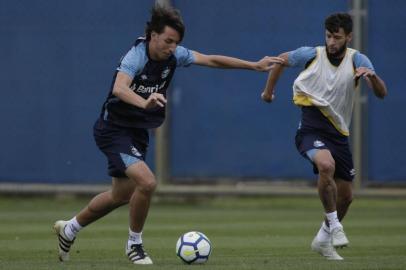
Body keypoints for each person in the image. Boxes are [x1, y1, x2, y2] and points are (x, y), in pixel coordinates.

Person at [54, 4, 284, 265]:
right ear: (153, 35)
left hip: (136, 132)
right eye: (168, 41)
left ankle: (70, 228)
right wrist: (143, 103)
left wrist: (253, 65)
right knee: (148, 182)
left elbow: (210, 59)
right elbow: (119, 88)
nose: (172, 47)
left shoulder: (175, 55)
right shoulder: (136, 56)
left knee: (120, 195)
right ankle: (134, 245)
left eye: (176, 43)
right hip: (113, 130)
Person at [261, 13, 387, 260]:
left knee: (347, 196)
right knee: (325, 164)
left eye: (337, 37)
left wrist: (372, 77)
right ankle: (335, 226)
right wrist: (268, 92)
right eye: (328, 36)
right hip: (311, 126)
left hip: (339, 133)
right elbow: (281, 60)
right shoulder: (311, 54)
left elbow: (381, 93)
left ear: (349, 37)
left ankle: (322, 238)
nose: (331, 41)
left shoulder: (358, 60)